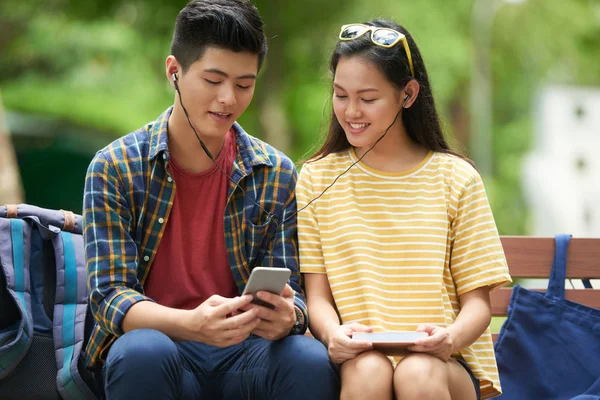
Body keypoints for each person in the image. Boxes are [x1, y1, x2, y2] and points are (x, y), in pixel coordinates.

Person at [82, 1, 339, 399]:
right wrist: (191, 324)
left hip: (246, 353)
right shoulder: (115, 167)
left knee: (306, 357)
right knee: (142, 353)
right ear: (174, 72)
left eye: (244, 84)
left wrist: (290, 317)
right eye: (213, 80)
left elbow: (295, 294)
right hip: (158, 348)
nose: (228, 99)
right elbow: (110, 298)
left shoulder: (276, 173)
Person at [296, 20, 512, 400]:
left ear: (408, 94)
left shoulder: (456, 178)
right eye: (341, 95)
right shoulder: (316, 178)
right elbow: (317, 297)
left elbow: (477, 304)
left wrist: (450, 339)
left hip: (443, 367)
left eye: (368, 98)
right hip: (358, 362)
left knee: (416, 372)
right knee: (367, 370)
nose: (351, 111)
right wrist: (333, 335)